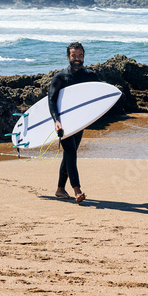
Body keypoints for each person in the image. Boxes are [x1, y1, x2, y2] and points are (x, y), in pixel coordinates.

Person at [48, 42, 98, 202]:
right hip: (64, 121)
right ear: (68, 56)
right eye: (74, 56)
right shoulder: (60, 77)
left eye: (80, 55)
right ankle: (77, 189)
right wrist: (56, 121)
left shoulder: (90, 76)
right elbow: (51, 100)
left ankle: (60, 189)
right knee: (71, 151)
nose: (77, 59)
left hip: (79, 121)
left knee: (69, 153)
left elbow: (97, 95)